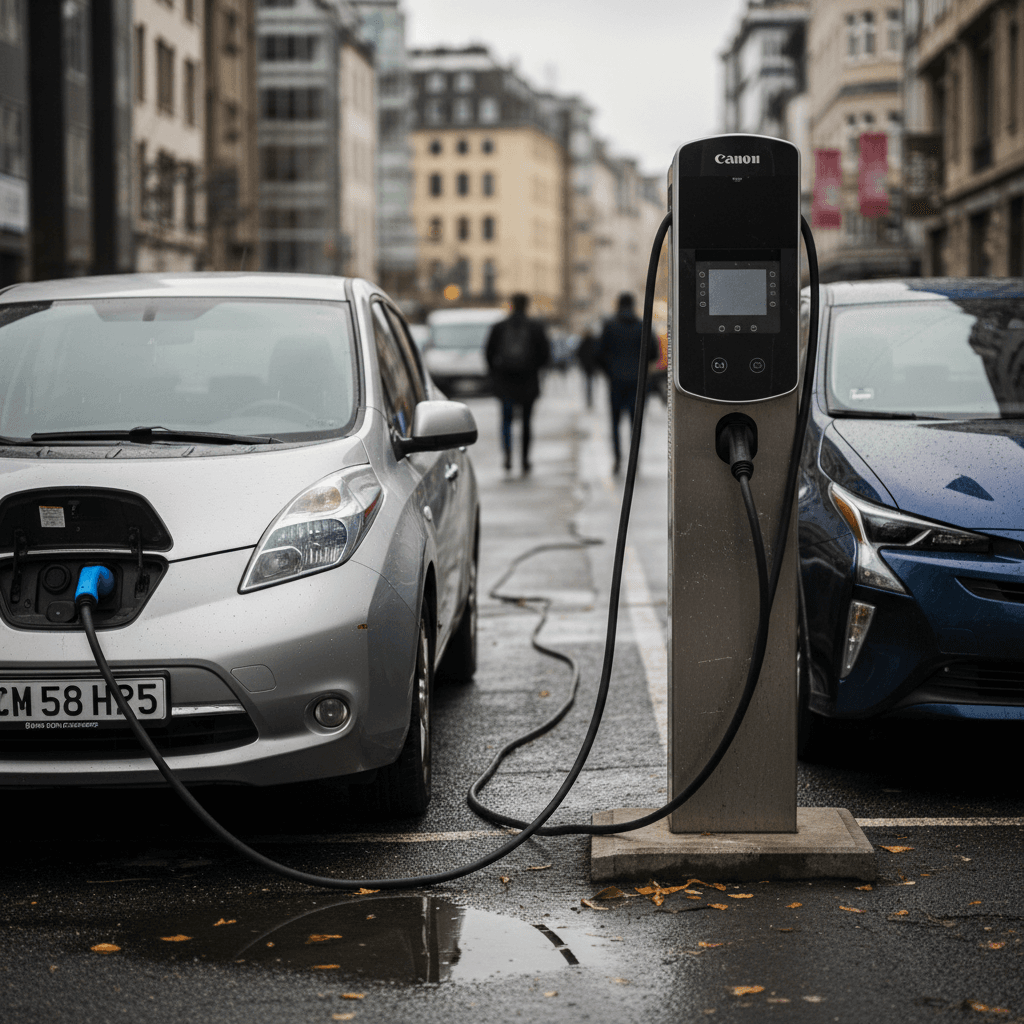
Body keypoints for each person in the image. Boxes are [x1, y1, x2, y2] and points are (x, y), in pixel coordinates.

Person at [485, 293, 551, 473]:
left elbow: (489, 353)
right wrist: (534, 367)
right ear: (527, 305)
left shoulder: (499, 327)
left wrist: (495, 373)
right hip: (528, 379)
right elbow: (545, 355)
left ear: (511, 305)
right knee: (527, 422)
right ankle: (525, 460)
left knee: (506, 420)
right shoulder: (536, 327)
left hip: (505, 379)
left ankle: (507, 456)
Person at [596, 292, 658, 475]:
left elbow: (598, 353)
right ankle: (634, 461)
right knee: (636, 424)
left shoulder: (610, 326)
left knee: (615, 422)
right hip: (638, 383)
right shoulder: (642, 325)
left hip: (616, 382)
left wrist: (610, 371)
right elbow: (653, 352)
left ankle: (617, 459)